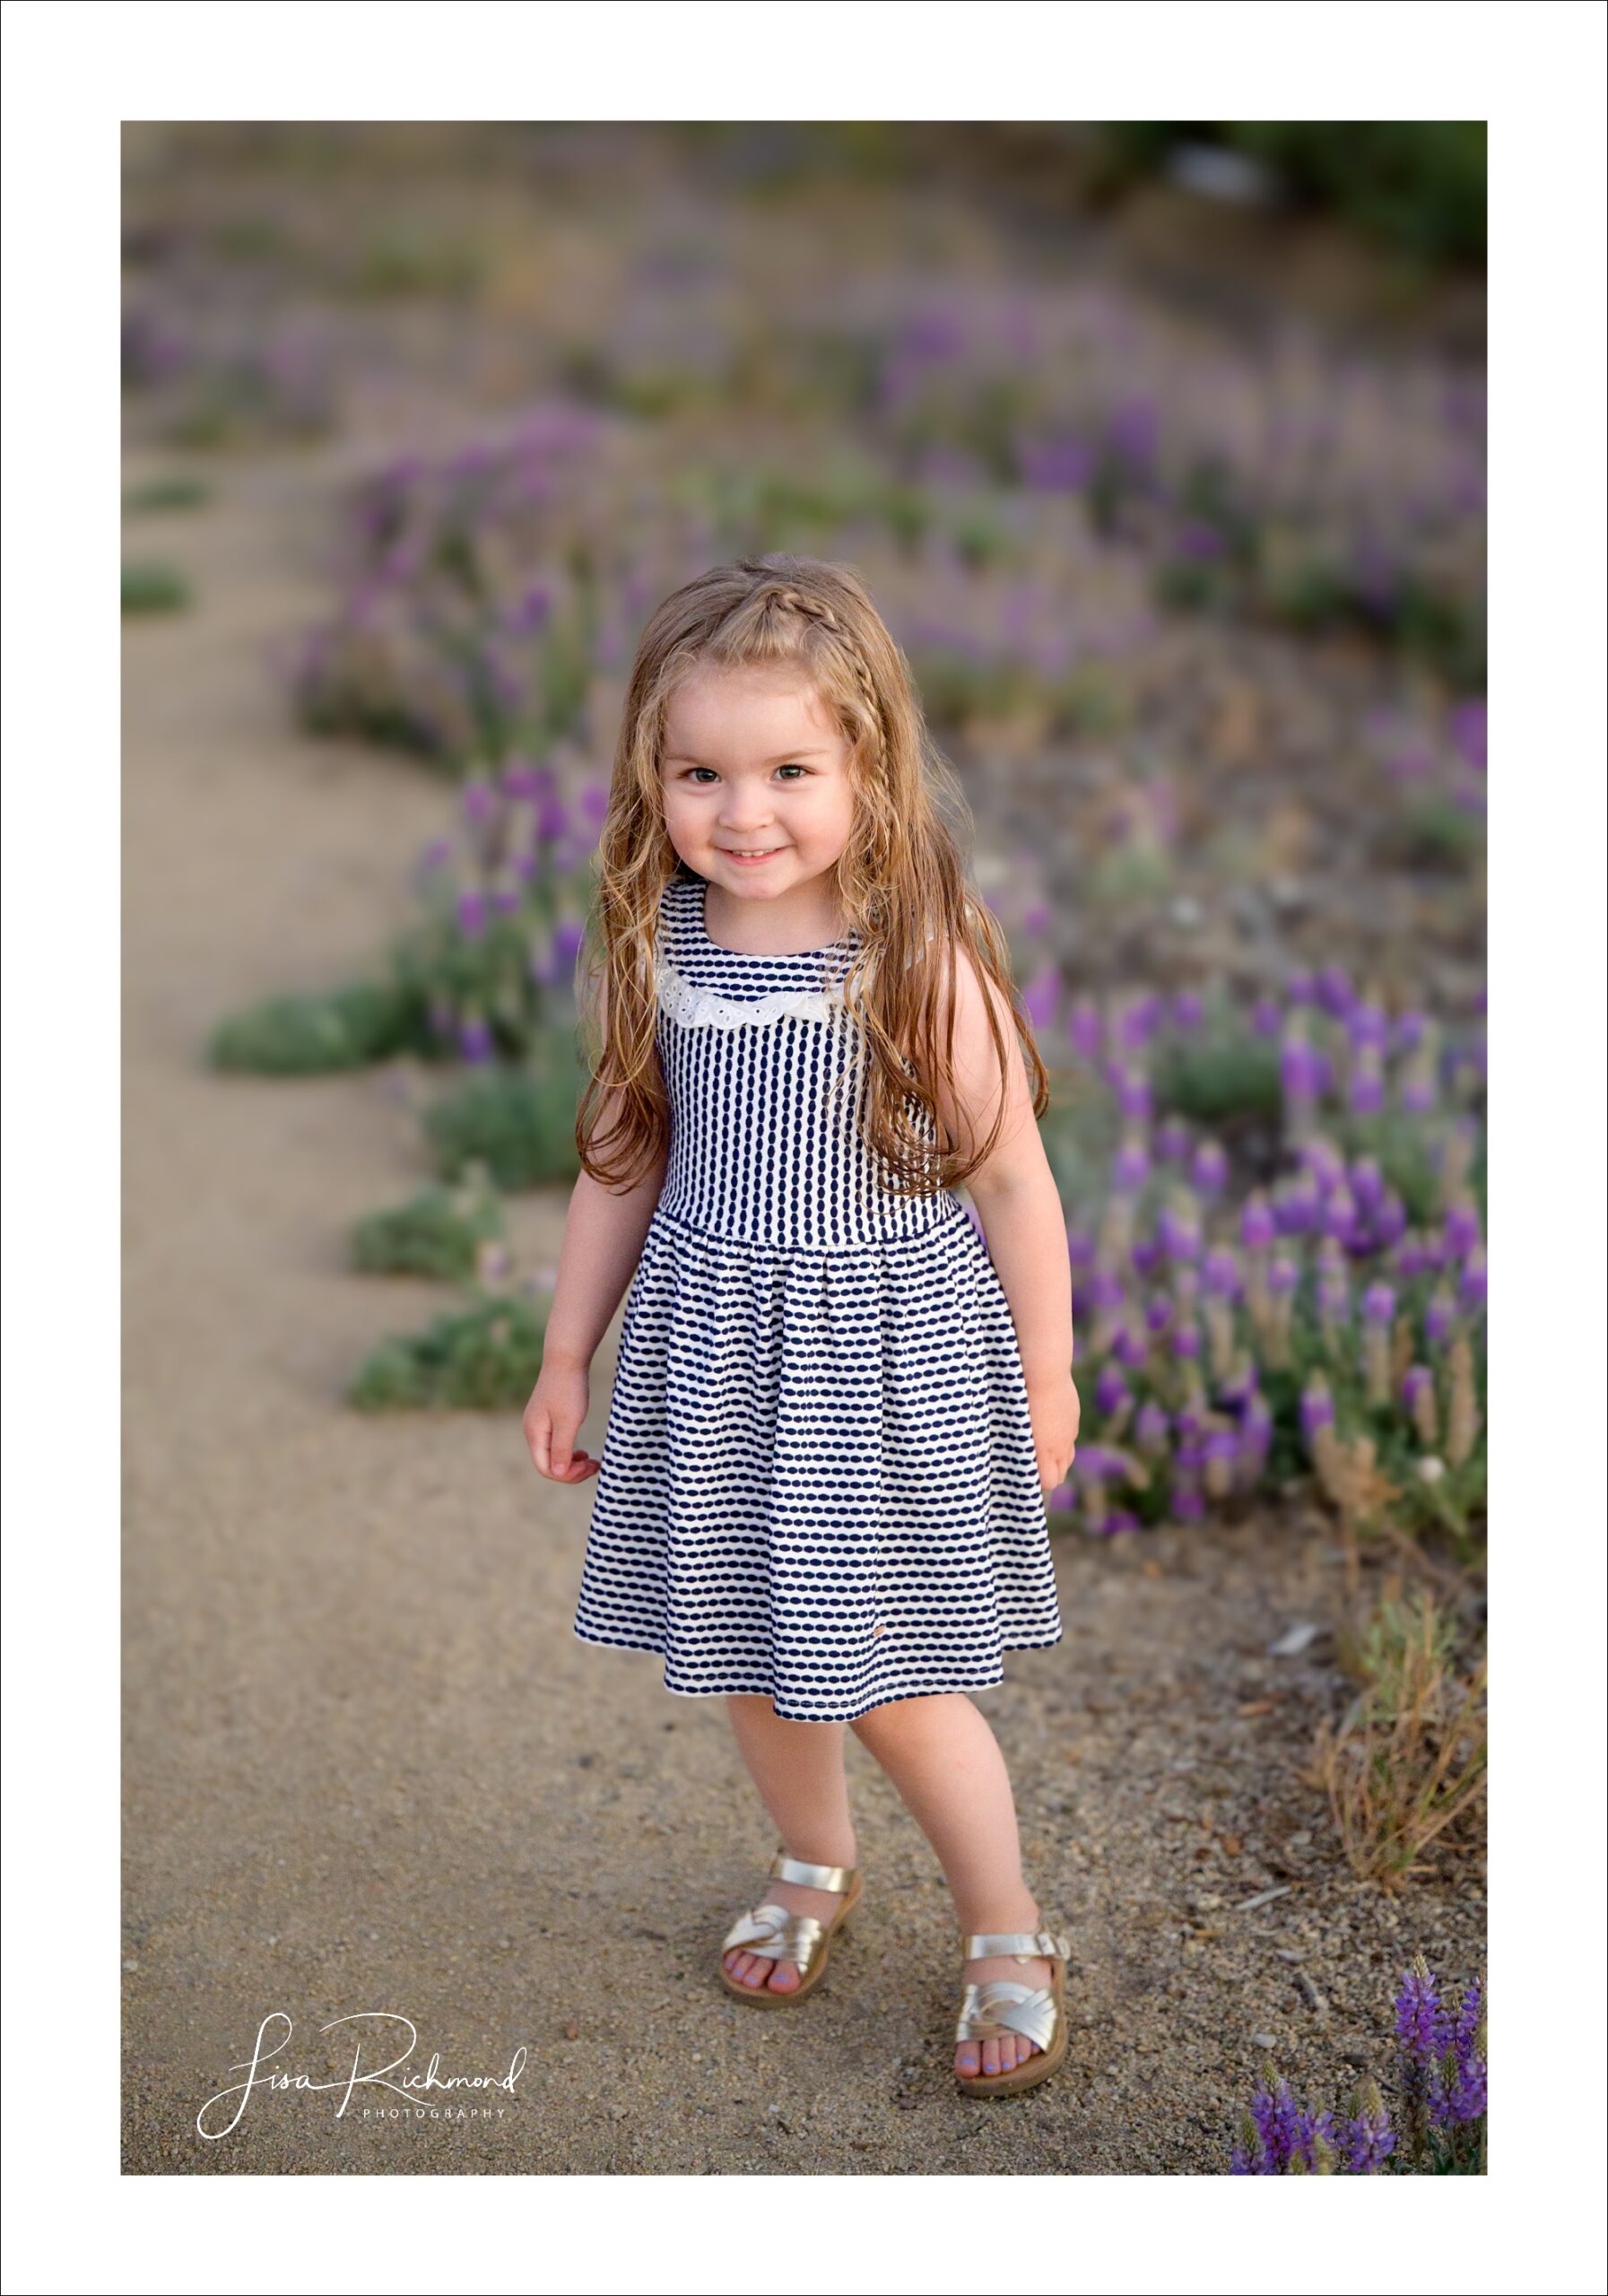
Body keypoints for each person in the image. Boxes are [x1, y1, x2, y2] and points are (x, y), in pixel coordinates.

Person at [523, 554, 1080, 2098]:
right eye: (699, 773)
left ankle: (1007, 1928)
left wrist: (1048, 1375)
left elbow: (1015, 1186)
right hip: (711, 1351)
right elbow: (623, 1156)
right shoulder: (667, 938)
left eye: (787, 771)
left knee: (892, 1679)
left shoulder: (911, 957)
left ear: (869, 771)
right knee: (752, 1663)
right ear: (651, 774)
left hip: (876, 1365)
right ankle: (814, 1861)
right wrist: (571, 1347)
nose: (740, 812)